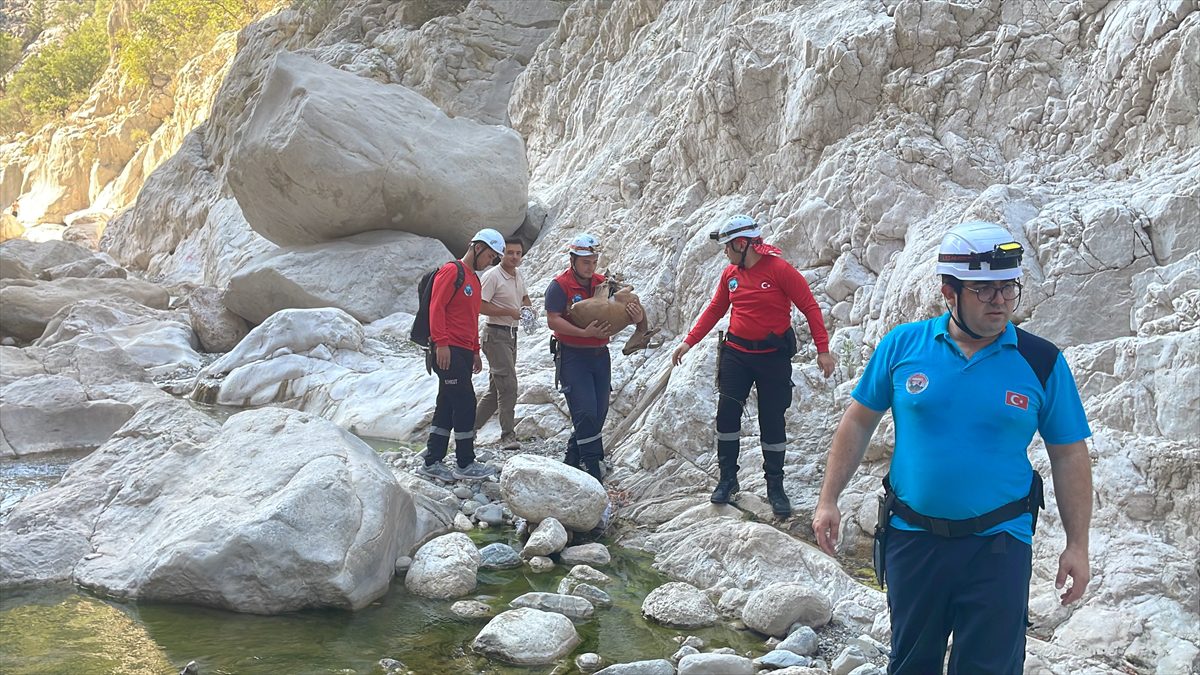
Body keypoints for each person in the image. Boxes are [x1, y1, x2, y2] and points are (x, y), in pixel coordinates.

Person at [811, 221, 1093, 674]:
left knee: (990, 668)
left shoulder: (1041, 361)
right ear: (949, 291)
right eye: (984, 290)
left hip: (1000, 544)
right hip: (913, 539)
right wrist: (828, 500)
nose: (1000, 301)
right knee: (911, 664)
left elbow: (1068, 453)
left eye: (1008, 288)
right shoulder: (903, 346)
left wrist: (1077, 544)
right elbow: (859, 423)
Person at [672, 214, 834, 517]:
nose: (725, 254)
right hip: (736, 354)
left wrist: (823, 350)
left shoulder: (779, 270)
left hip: (773, 357)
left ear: (742, 243)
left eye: (727, 247)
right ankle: (727, 479)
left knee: (772, 421)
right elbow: (715, 309)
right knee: (726, 416)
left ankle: (775, 486)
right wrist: (688, 341)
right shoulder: (730, 274)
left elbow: (809, 307)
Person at [545, 232, 643, 483]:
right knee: (586, 411)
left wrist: (636, 318)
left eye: (594, 261)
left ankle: (572, 456)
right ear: (573, 261)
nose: (591, 267)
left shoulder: (603, 284)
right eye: (586, 262)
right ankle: (592, 466)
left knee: (598, 413)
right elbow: (553, 319)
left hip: (600, 355)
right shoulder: (560, 286)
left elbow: (620, 309)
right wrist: (582, 332)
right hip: (572, 356)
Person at [418, 228, 507, 482]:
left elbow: (470, 319)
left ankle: (433, 461)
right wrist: (441, 344)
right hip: (448, 350)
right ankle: (465, 463)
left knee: (446, 403)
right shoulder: (452, 271)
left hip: (463, 351)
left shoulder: (474, 280)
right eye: (490, 256)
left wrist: (476, 351)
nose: (490, 262)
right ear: (478, 248)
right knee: (466, 402)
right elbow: (437, 307)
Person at [476, 236, 533, 450]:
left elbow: (524, 298)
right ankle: (508, 435)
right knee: (509, 386)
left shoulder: (518, 276)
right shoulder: (492, 276)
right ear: (502, 253)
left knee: (495, 390)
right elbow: (480, 306)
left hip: (511, 335)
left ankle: (467, 431)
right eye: (510, 252)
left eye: (518, 253)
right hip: (496, 334)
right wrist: (508, 311)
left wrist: (528, 309)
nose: (515, 257)